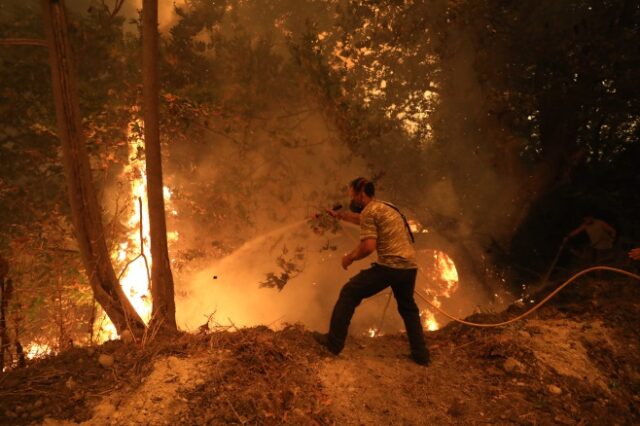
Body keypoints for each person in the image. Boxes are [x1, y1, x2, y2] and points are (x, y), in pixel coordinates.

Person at [313, 177, 430, 366]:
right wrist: (340, 215)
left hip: (390, 266)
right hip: (409, 267)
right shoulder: (384, 206)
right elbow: (361, 219)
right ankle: (421, 355)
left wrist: (349, 257)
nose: (351, 199)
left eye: (352, 195)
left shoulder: (369, 211)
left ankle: (333, 344)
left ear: (360, 194)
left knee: (349, 292)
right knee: (408, 308)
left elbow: (368, 247)